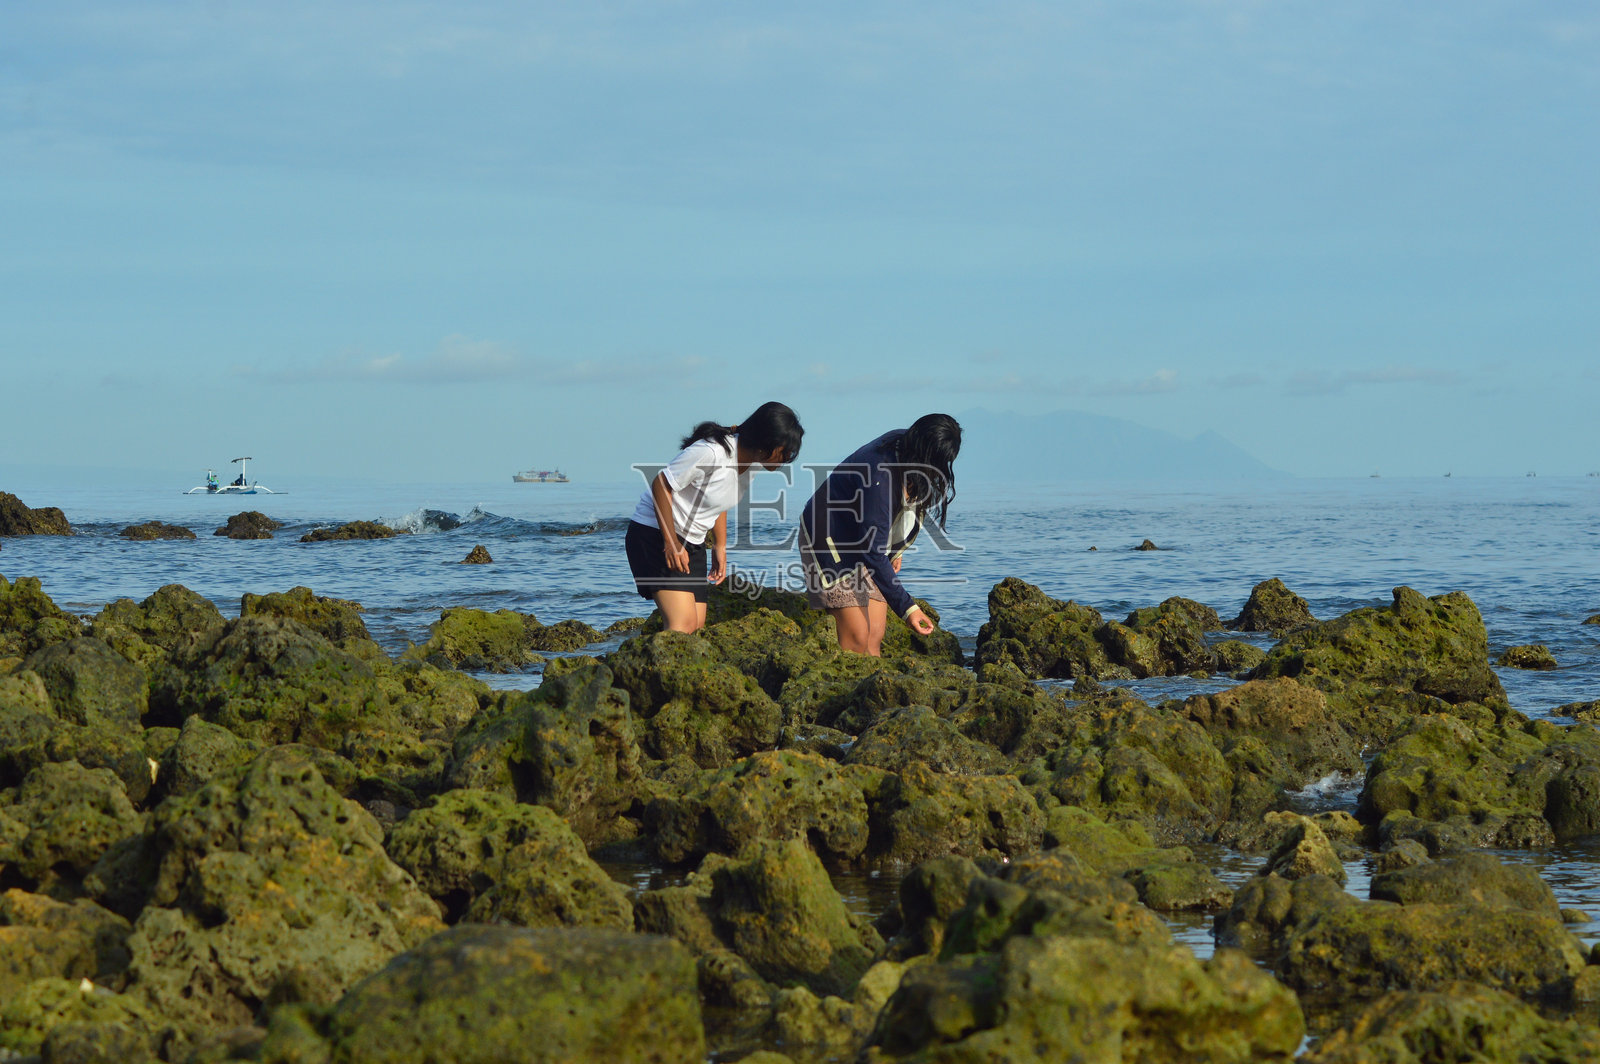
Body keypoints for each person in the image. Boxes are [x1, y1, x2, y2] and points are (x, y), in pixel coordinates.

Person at [626, 402, 804, 634]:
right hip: (655, 534)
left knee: (697, 627)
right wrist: (671, 543)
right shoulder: (711, 452)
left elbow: (720, 500)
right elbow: (661, 484)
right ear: (765, 443)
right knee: (682, 627)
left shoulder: (751, 464)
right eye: (785, 450)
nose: (787, 457)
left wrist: (720, 546)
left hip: (693, 542)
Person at [800, 413, 961, 656]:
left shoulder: (905, 445)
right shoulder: (880, 475)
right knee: (857, 636)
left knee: (875, 633)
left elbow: (902, 507)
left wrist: (896, 550)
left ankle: (872, 680)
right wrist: (909, 609)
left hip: (863, 535)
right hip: (828, 537)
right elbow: (873, 552)